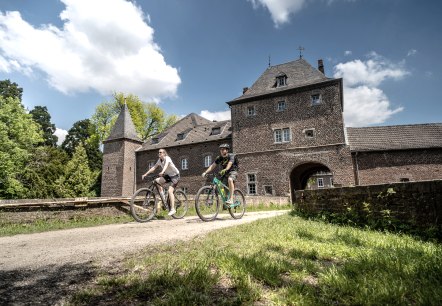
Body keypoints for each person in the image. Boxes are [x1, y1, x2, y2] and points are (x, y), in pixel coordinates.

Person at [142, 149, 180, 216]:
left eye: (160, 152)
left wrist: (162, 172)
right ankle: (164, 199)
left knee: (170, 191)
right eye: (158, 152)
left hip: (175, 176)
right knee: (156, 181)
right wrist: (145, 174)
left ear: (164, 154)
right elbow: (154, 167)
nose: (159, 153)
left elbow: (166, 165)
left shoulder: (167, 158)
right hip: (168, 175)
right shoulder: (159, 160)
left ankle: (173, 209)